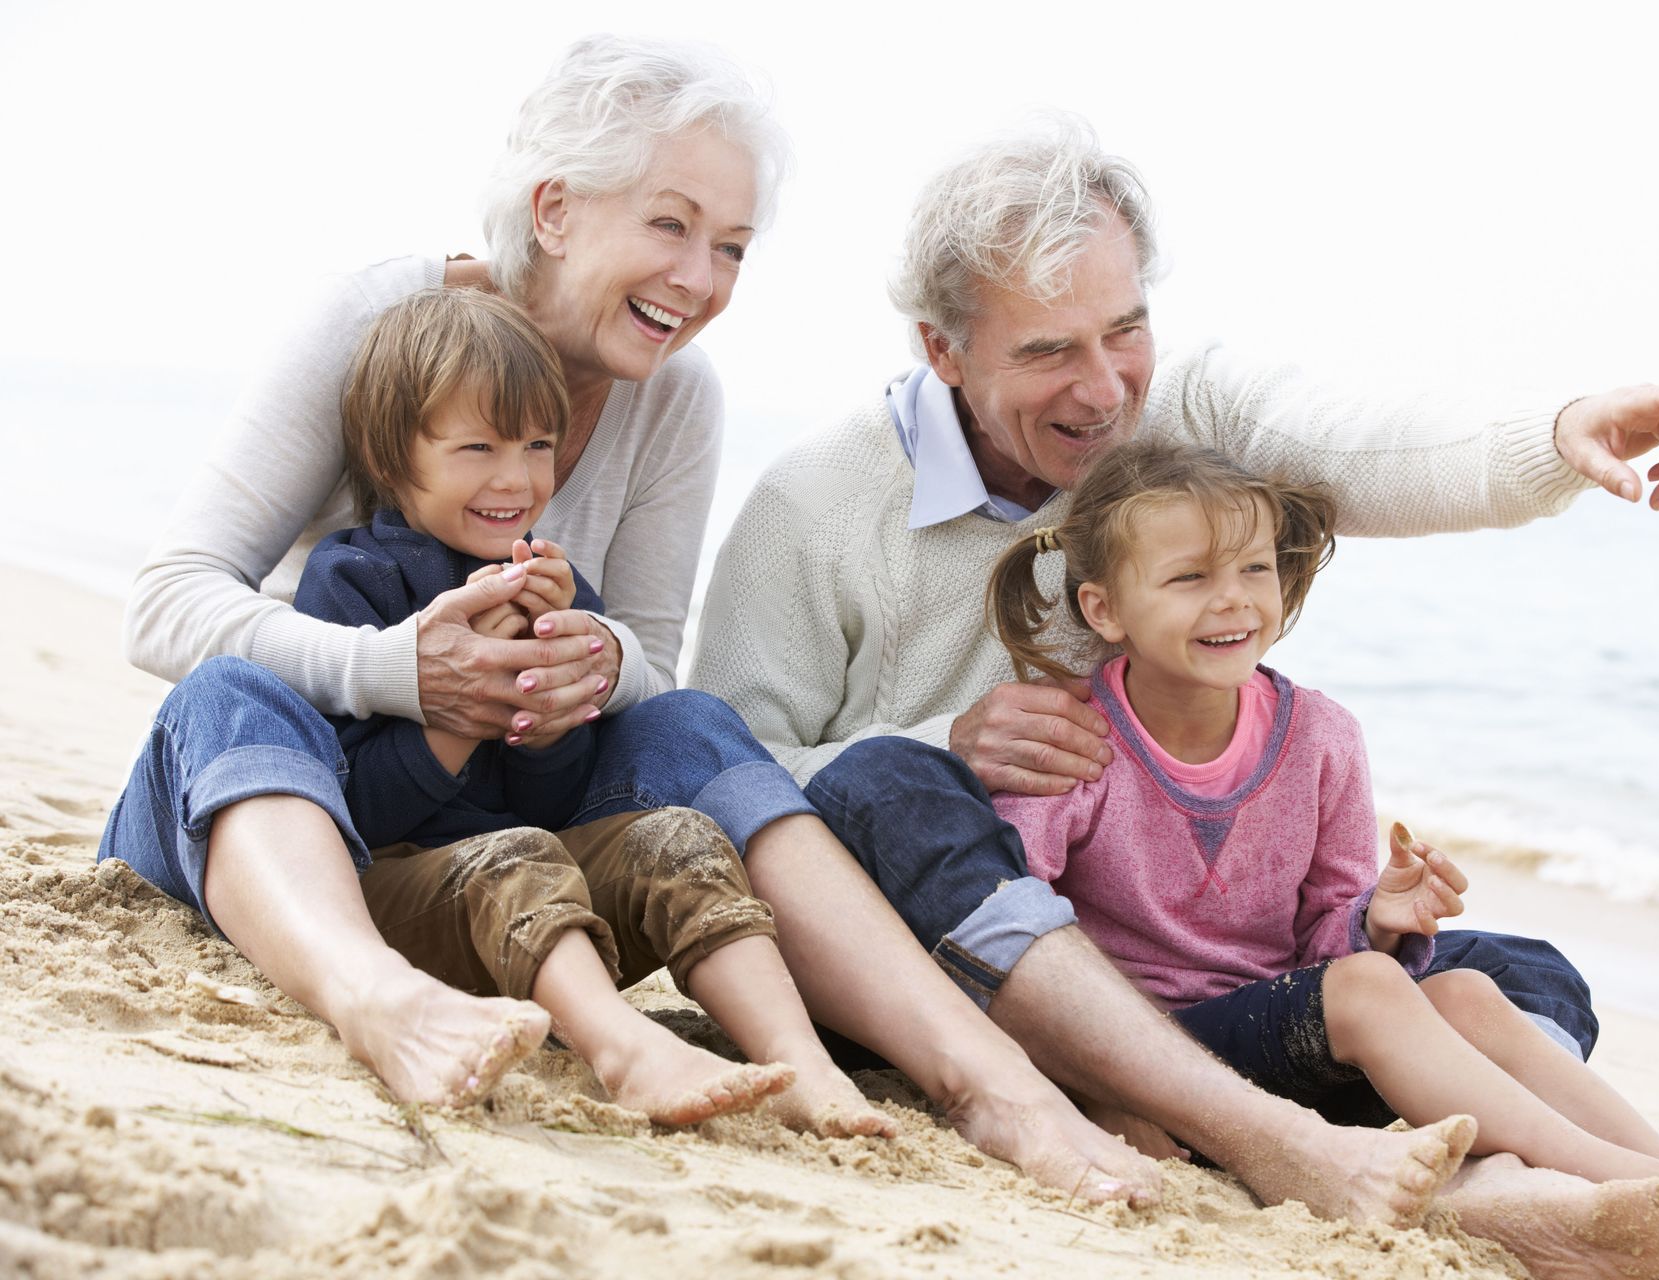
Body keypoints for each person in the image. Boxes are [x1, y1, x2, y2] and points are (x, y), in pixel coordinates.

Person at [103, 37, 1198, 1203]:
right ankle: (379, 1000)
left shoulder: (675, 395)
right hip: (286, 830)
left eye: (730, 245)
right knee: (229, 689)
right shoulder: (386, 320)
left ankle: (987, 1080)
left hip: (506, 837)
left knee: (685, 719)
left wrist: (596, 657)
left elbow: (651, 662)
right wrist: (396, 669)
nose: (702, 276)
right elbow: (166, 600)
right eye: (671, 225)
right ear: (558, 209)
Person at [690, 116, 1659, 1273]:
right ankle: (1335, 1146)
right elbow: (727, 776)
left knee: (1512, 977)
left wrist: (1554, 438)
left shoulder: (1184, 426)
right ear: (944, 348)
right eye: (1049, 350)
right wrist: (945, 740)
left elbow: (1363, 446)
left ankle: (1496, 1171)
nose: (1106, 388)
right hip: (957, 957)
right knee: (890, 779)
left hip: (1203, 986)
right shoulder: (817, 502)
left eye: (1127, 330)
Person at [982, 437, 1659, 1272]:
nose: (1235, 599)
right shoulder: (1065, 740)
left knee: (1464, 990)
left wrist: (1377, 920)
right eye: (1189, 577)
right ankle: (1655, 1187)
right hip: (1152, 1057)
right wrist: (1100, 1091)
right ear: (1104, 608)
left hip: (1286, 1053)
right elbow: (1027, 945)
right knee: (1371, 988)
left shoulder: (1320, 737)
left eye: (1255, 568)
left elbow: (1327, 945)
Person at [271, 284, 908, 1132]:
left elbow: (550, 797)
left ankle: (800, 1063)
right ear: (393, 461)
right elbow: (351, 810)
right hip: (407, 901)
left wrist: (551, 714)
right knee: (514, 854)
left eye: (539, 444)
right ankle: (621, 1050)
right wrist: (462, 717)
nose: (517, 477)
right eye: (478, 447)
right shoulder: (353, 580)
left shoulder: (552, 584)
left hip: (548, 922)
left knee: (680, 837)